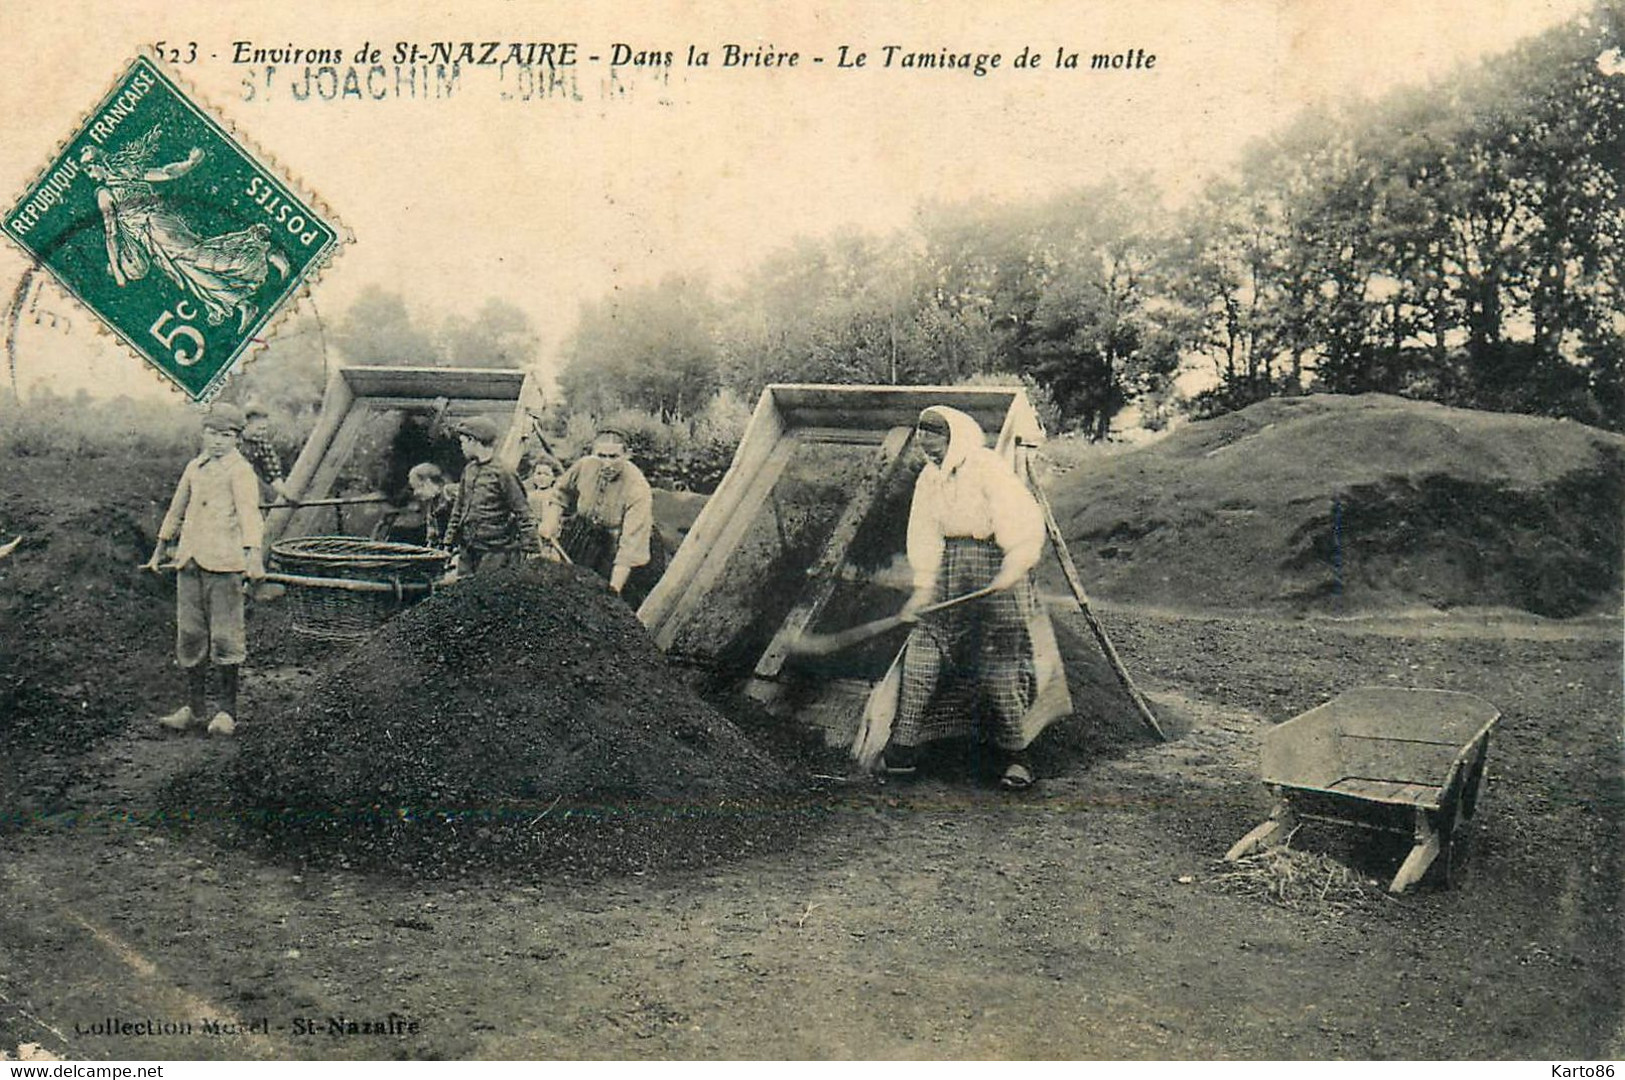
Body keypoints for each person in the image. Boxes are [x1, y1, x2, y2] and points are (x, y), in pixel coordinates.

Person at [871, 405, 1069, 790]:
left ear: (955, 438)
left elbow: (1021, 519)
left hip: (995, 564)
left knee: (999, 664)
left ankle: (1016, 756)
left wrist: (1012, 566)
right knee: (924, 649)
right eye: (926, 448)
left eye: (938, 445)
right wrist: (924, 587)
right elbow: (925, 531)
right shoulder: (930, 478)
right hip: (950, 567)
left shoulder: (986, 467)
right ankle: (905, 746)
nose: (932, 454)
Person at [82, 131, 288, 332]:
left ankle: (262, 249)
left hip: (156, 231)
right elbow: (166, 172)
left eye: (90, 170)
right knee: (191, 268)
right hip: (162, 225)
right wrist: (190, 163)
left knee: (198, 259)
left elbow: (112, 234)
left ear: (99, 165)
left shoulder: (104, 194)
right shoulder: (131, 172)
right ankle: (243, 302)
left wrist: (118, 272)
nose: (91, 176)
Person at [144, 403, 265, 737]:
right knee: (191, 636)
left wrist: (253, 556)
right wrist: (160, 549)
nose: (217, 441)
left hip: (224, 565)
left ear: (237, 439)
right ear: (203, 434)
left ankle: (227, 712)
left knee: (226, 637)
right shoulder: (195, 467)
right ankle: (195, 710)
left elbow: (249, 515)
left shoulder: (240, 472)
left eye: (225, 436)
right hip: (189, 562)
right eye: (212, 433)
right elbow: (176, 509)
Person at [541, 426, 663, 604]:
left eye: (613, 457)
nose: (606, 463)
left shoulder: (638, 488)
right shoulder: (584, 466)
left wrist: (612, 591)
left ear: (627, 455)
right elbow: (562, 492)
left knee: (609, 603)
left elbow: (629, 549)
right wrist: (550, 520)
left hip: (619, 548)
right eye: (601, 456)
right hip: (585, 537)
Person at [442, 416, 540, 575]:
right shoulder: (469, 470)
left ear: (473, 440)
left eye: (463, 442)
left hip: (496, 553)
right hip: (468, 550)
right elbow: (458, 510)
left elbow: (523, 512)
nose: (461, 447)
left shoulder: (503, 472)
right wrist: (448, 542)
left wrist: (532, 550)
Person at [238, 402, 292, 502]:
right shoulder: (233, 440)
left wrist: (286, 495)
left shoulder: (262, 443)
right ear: (246, 425)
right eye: (259, 429)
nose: (262, 433)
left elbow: (273, 473)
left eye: (264, 429)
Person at [407, 462, 456, 549]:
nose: (415, 493)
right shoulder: (432, 504)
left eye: (418, 487)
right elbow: (432, 535)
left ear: (428, 482)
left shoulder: (450, 493)